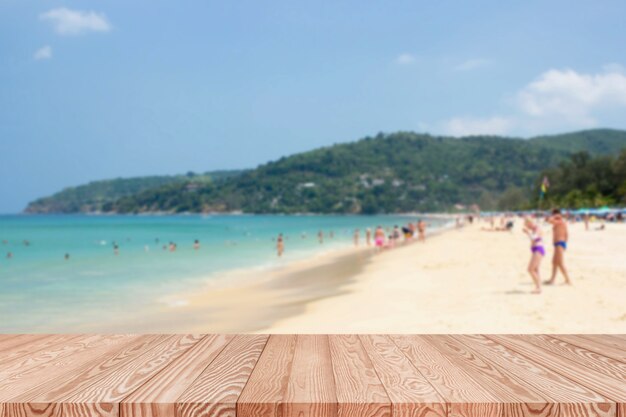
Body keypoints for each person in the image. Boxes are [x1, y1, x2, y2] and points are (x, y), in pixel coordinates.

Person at [545, 209, 571, 285]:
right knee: (554, 262)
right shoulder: (558, 222)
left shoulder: (560, 222)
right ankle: (552, 280)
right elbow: (548, 220)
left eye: (553, 214)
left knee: (560, 263)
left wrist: (556, 215)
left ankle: (568, 280)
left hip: (560, 243)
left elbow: (549, 220)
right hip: (558, 243)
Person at [523, 218, 544, 294]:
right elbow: (533, 239)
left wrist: (527, 232)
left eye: (527, 225)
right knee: (535, 269)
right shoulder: (534, 230)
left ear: (530, 223)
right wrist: (528, 232)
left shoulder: (537, 228)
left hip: (538, 249)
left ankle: (539, 287)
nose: (527, 227)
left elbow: (535, 238)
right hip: (536, 249)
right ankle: (538, 287)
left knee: (530, 269)